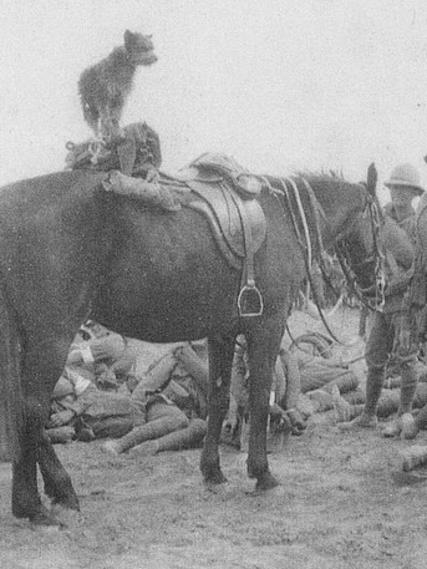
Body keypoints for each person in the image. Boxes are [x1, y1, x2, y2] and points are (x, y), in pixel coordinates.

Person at [340, 163, 424, 438]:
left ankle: (403, 416)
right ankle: (368, 414)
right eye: (395, 187)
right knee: (374, 358)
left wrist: (390, 287)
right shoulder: (380, 218)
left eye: (404, 189)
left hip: (406, 302)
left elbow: (416, 268)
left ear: (413, 193)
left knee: (406, 358)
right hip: (382, 303)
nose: (398, 193)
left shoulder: (417, 224)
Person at [102, 342, 209, 456]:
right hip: (162, 405)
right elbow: (143, 389)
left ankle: (153, 446)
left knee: (201, 426)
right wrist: (138, 424)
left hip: (187, 417)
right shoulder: (177, 357)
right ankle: (120, 444)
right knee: (178, 419)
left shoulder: (214, 366)